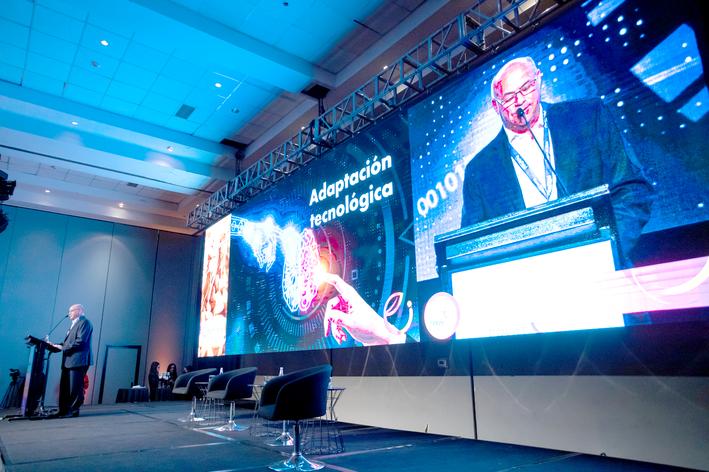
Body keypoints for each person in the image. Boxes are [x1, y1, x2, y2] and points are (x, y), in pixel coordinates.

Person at [460, 56, 653, 262]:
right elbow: (471, 245)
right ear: (495, 106)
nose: (520, 100)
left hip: (604, 266)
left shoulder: (588, 116)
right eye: (508, 98)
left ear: (538, 79)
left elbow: (632, 190)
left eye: (526, 87)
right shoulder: (478, 170)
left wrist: (605, 249)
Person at [48, 304, 93, 418]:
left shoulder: (85, 322)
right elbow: (69, 342)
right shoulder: (74, 324)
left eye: (71, 311)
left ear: (79, 311)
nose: (69, 314)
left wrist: (63, 347)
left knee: (75, 387)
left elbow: (81, 341)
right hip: (69, 360)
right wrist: (56, 345)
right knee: (65, 387)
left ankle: (73, 411)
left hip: (78, 360)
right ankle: (63, 410)